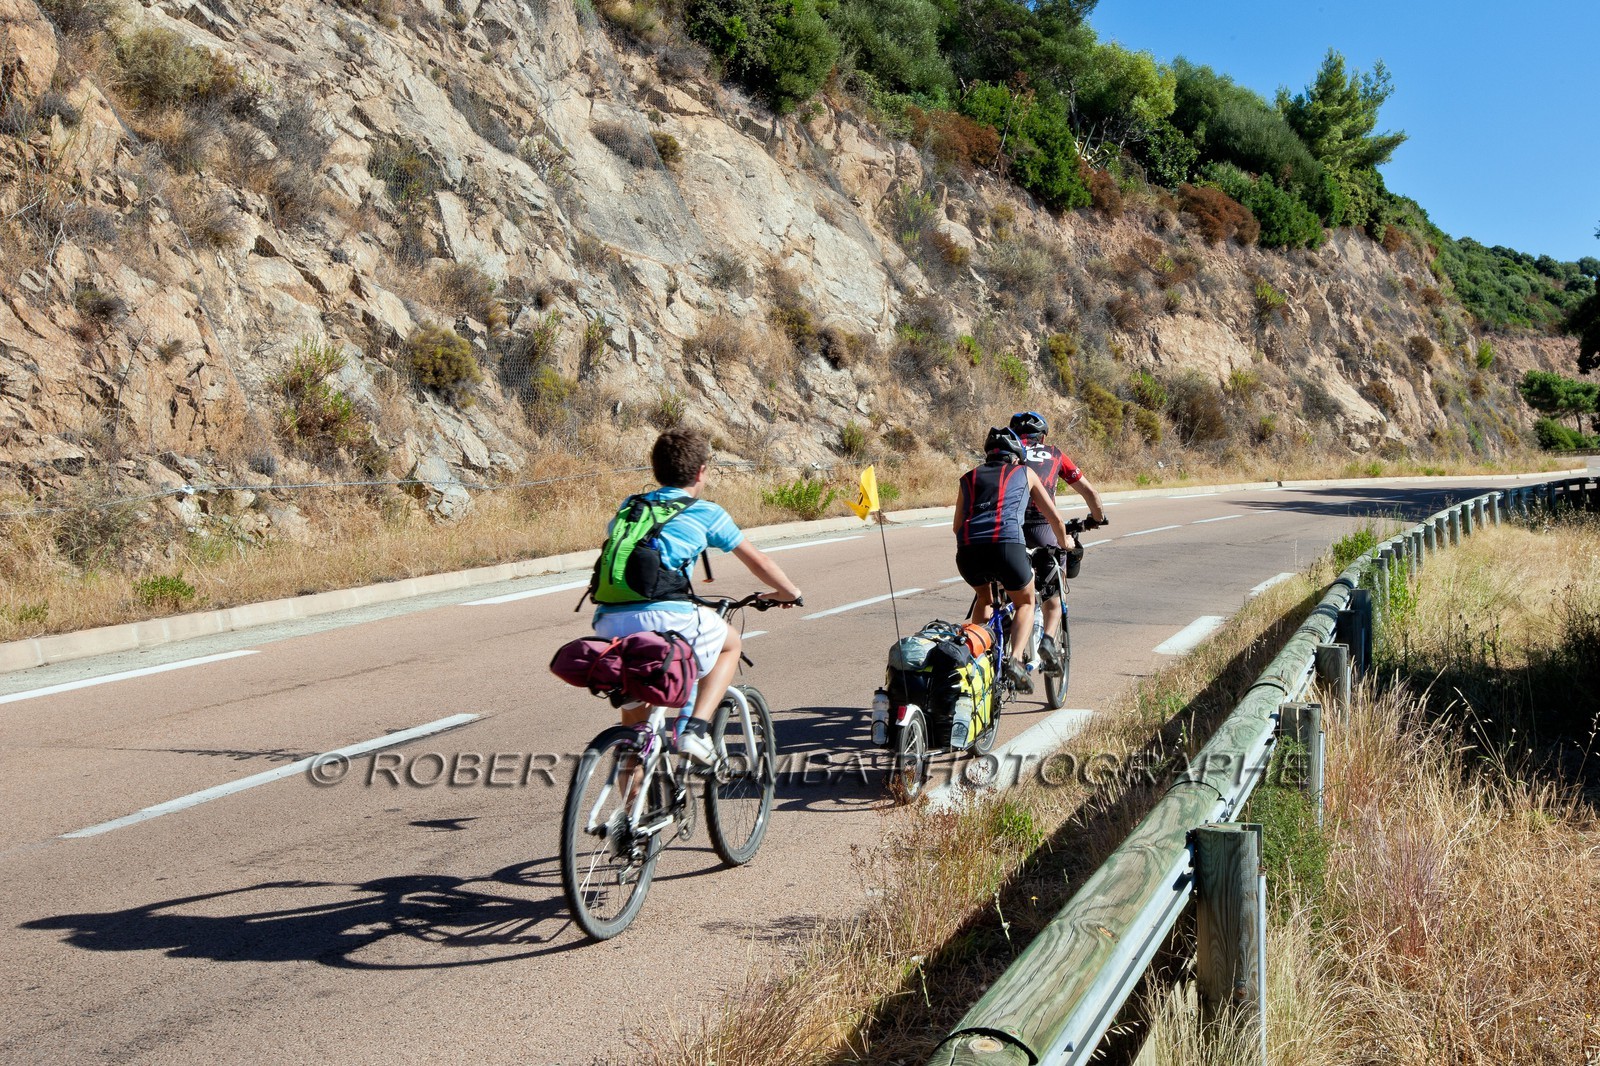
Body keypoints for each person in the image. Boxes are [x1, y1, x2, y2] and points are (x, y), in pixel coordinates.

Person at [590, 427, 802, 765]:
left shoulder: (631, 505)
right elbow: (758, 561)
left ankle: (627, 815)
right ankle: (696, 730)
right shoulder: (706, 512)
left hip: (608, 621)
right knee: (729, 644)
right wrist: (789, 592)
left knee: (635, 732)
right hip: (665, 616)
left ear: (656, 469)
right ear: (702, 471)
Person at [953, 426, 1068, 694]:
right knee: (1025, 601)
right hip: (1007, 547)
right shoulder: (1024, 472)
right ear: (1016, 455)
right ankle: (1015, 661)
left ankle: (972, 658)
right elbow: (1054, 518)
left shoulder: (967, 478)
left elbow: (957, 525)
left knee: (985, 599)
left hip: (968, 551)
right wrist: (1065, 543)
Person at [1009, 411, 1107, 670]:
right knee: (1054, 590)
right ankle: (1049, 640)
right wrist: (1096, 518)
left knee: (1010, 586)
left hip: (1010, 528)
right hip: (1043, 526)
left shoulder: (1008, 452)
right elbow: (1090, 492)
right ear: (1042, 436)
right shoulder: (1053, 454)